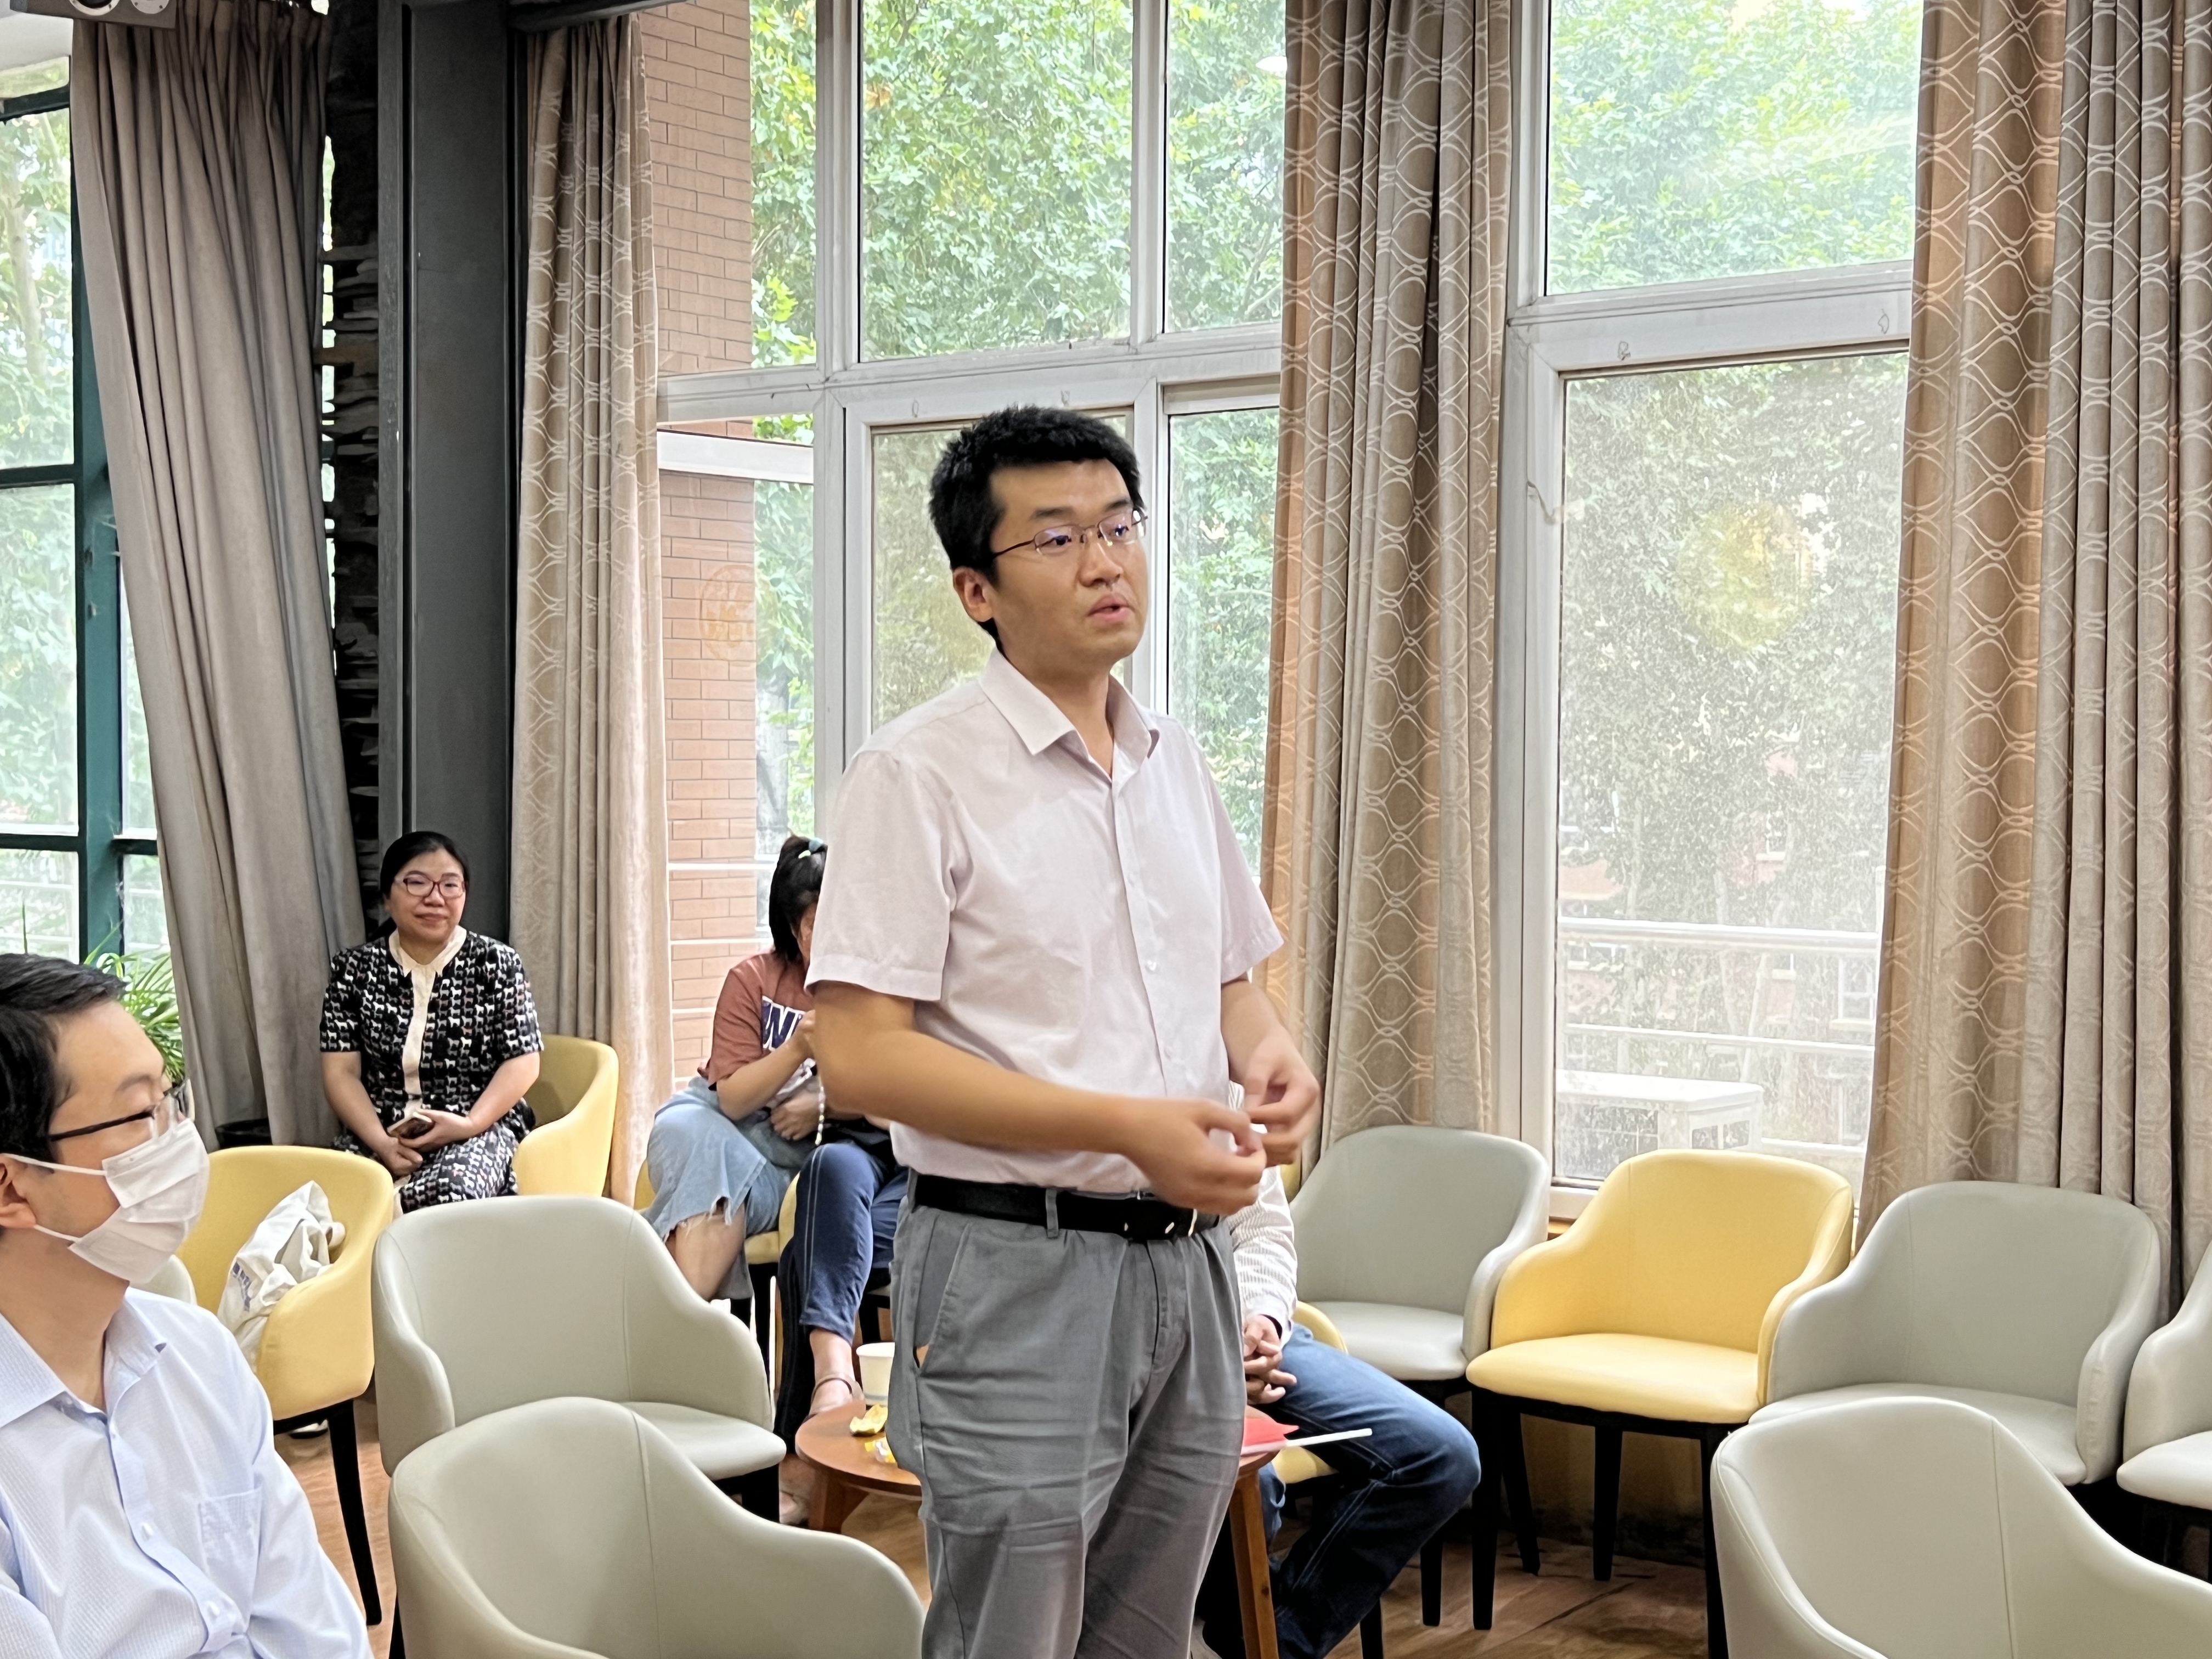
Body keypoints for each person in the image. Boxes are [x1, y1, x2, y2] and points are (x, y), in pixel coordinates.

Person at [809, 405, 1320, 1657]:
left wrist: (1266, 1051)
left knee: (1149, 1633)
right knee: (1013, 1637)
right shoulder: (916, 773)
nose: (1104, 561)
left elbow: (1228, 982)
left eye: (1119, 525)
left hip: (1189, 1266)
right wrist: (1125, 1127)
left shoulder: (1172, 760)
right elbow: (860, 1054)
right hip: (1013, 1263)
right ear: (977, 590)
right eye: (1056, 538)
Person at [0, 954, 371, 1658]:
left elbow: (316, 1630)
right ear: (13, 1187)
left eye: (172, 1099)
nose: (178, 1140)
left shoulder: (197, 1353)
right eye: (140, 1114)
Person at [1195, 1169, 1481, 1658]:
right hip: (1174, 1349)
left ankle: (1268, 1644)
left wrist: (1261, 1321)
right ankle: (1247, 1636)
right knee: (1249, 1486)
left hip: (1261, 1335)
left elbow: (1262, 1230)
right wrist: (1214, 1361)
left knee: (1444, 1457)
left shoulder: (1235, 1117)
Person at [644, 835, 854, 1301]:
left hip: (781, 1162)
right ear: (794, 928)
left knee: (717, 1189)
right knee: (709, 1154)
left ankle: (667, 1328)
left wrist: (825, 1105)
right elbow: (733, 1100)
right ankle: (681, 1326)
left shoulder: (867, 995)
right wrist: (798, 1048)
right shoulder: (751, 979)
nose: (831, 938)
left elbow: (889, 1094)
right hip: (709, 1120)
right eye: (816, 925)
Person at [323, 831, 544, 1211]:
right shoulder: (353, 969)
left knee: (450, 1197)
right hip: (381, 1128)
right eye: (417, 883)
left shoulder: (497, 963)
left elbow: (524, 1061)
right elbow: (340, 1072)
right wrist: (382, 1143)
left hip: (475, 1127)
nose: (435, 898)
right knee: (330, 1204)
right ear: (387, 895)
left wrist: (470, 1124)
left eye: (450, 885)